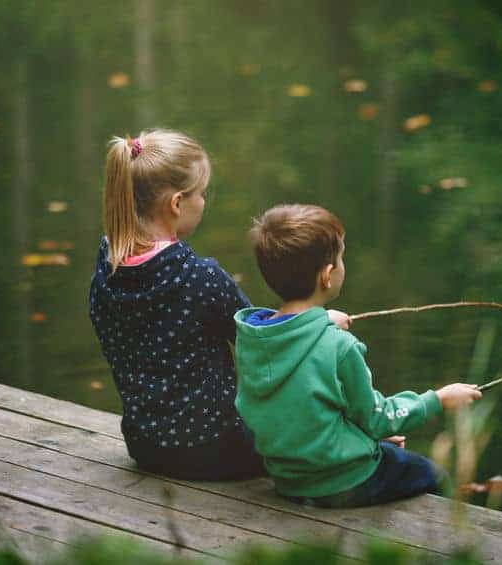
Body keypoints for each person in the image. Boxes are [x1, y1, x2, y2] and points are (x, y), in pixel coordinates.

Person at [88, 130, 345, 480]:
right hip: (217, 449)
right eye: (201, 193)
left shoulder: (106, 268)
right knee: (331, 436)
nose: (204, 201)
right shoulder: (200, 277)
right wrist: (319, 322)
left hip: (144, 445)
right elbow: (268, 344)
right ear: (177, 203)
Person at [233, 204, 482, 507]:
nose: (341, 265)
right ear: (327, 276)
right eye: (340, 259)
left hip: (288, 478)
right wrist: (439, 400)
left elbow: (303, 405)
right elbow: (378, 419)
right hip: (343, 482)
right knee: (436, 476)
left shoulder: (254, 338)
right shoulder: (340, 347)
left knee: (388, 448)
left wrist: (320, 320)